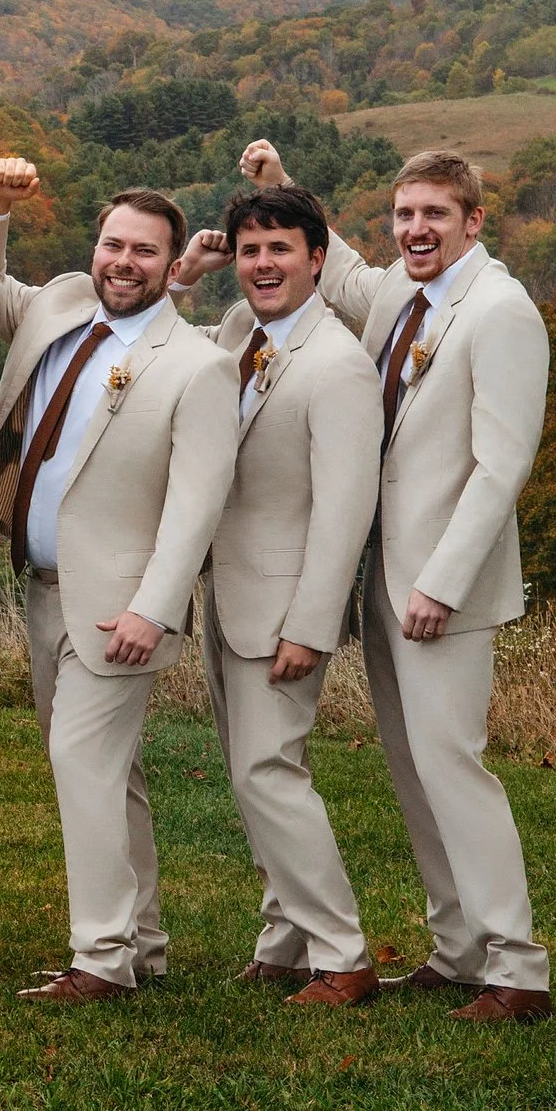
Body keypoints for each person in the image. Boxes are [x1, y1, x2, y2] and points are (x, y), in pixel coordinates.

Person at [237, 143, 552, 1023]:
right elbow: (334, 263)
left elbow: (501, 466)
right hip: (384, 576)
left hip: (441, 589)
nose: (416, 229)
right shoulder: (401, 299)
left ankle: (518, 966)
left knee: (455, 766)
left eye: (435, 215)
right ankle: (456, 948)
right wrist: (276, 188)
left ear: (474, 220)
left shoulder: (500, 312)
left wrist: (443, 583)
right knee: (414, 769)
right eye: (406, 213)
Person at [0, 160, 237, 1003]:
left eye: (145, 251)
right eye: (113, 242)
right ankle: (143, 944)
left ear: (174, 263)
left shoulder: (195, 364)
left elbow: (196, 506)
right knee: (110, 774)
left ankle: (101, 958)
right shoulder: (59, 307)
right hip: (41, 585)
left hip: (121, 604)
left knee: (81, 760)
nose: (123, 260)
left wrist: (155, 609)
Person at [163, 181, 383, 1006]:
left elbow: (344, 510)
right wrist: (186, 270)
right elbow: (163, 349)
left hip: (286, 607)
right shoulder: (233, 331)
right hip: (227, 592)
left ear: (316, 260)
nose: (261, 263)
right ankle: (284, 937)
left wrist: (312, 623)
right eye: (250, 249)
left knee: (268, 769)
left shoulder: (340, 365)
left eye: (279, 248)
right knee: (246, 767)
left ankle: (342, 953)